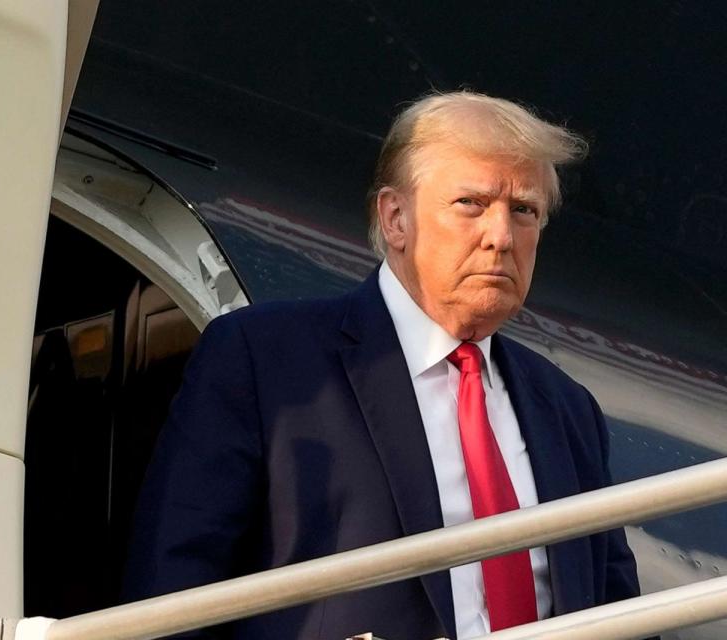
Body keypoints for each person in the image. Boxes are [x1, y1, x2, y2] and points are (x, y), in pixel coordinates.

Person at [124, 91, 643, 639]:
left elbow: (622, 614)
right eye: (472, 203)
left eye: (524, 211)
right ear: (396, 218)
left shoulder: (565, 408)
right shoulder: (264, 359)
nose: (501, 237)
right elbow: (169, 593)